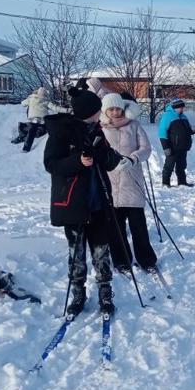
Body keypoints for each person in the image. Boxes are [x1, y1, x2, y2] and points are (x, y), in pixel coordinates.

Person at [43, 86, 134, 316]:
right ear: (88, 112)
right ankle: (78, 293)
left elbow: (105, 156)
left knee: (101, 250)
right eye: (97, 110)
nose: (100, 113)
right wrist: (77, 162)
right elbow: (51, 164)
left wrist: (116, 160)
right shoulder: (62, 131)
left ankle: (105, 291)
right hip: (73, 203)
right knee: (76, 253)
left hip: (98, 202)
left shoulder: (96, 129)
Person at [100, 93, 160, 277]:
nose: (115, 112)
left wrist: (133, 158)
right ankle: (122, 261)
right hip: (109, 183)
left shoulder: (134, 125)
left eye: (117, 108)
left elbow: (146, 149)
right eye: (111, 109)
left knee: (138, 227)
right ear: (105, 111)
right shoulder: (100, 128)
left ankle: (147, 260)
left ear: (123, 108)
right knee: (115, 229)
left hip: (132, 182)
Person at [158, 97, 195, 187]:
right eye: (181, 107)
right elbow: (162, 132)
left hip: (183, 146)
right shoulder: (167, 116)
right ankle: (165, 183)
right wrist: (165, 147)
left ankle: (182, 182)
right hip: (172, 147)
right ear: (176, 107)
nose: (183, 109)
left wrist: (193, 130)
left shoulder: (184, 117)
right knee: (169, 165)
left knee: (182, 165)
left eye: (183, 107)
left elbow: (188, 130)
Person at [19, 88, 53, 152]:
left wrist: (30, 100)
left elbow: (22, 103)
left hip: (33, 120)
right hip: (43, 121)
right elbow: (55, 107)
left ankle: (26, 148)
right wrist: (66, 110)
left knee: (31, 133)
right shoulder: (46, 101)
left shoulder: (31, 98)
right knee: (49, 129)